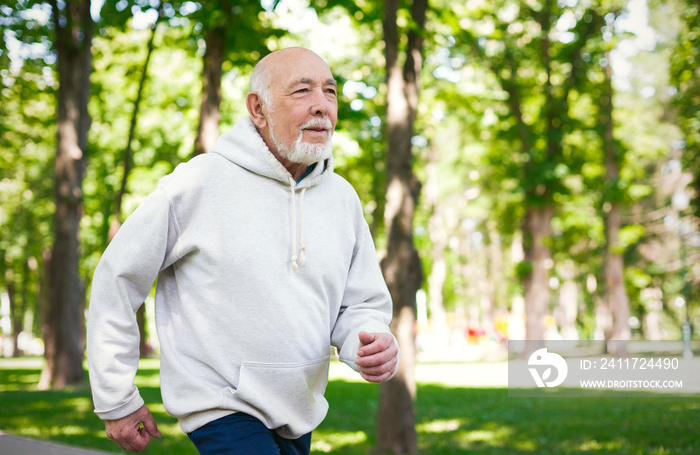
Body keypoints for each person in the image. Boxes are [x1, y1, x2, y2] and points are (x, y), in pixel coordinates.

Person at [86, 47, 399, 455]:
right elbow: (117, 277)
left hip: (299, 409)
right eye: (302, 91)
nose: (321, 105)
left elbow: (358, 303)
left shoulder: (342, 198)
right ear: (258, 109)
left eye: (330, 91)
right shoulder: (197, 183)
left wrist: (367, 341)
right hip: (220, 403)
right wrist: (116, 398)